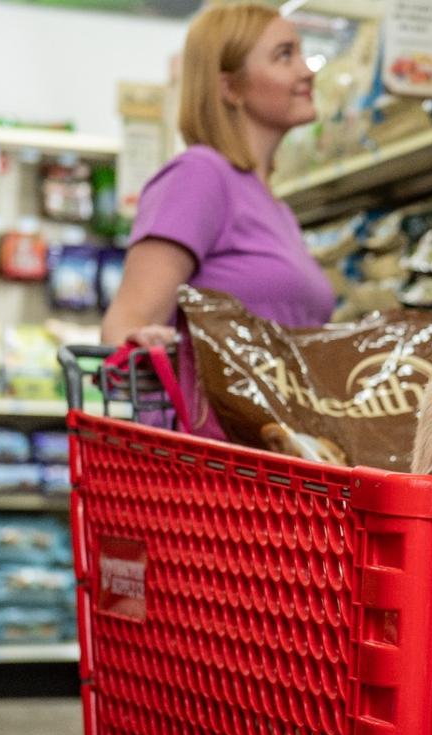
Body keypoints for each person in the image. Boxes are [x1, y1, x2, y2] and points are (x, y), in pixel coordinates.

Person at [101, 2, 335, 437]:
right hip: (208, 474)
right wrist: (141, 343)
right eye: (285, 55)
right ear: (230, 87)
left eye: (302, 53)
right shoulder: (200, 175)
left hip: (277, 463)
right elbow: (126, 326)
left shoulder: (276, 208)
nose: (307, 71)